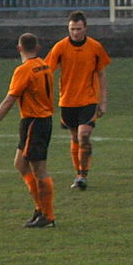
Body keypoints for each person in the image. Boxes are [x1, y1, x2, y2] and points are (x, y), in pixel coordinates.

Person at [0, 33, 56, 228]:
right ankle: (40, 209)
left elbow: (9, 101)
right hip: (40, 120)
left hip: (34, 122)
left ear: (19, 48)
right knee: (21, 164)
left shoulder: (24, 70)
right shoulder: (44, 65)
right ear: (37, 47)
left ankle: (48, 216)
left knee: (39, 169)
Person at [45, 11, 111, 190]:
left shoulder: (95, 47)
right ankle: (78, 173)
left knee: (84, 135)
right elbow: (47, 71)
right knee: (74, 137)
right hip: (67, 101)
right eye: (72, 29)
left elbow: (102, 74)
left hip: (89, 100)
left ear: (85, 28)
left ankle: (83, 174)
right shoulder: (60, 47)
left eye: (78, 29)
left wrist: (103, 101)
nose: (75, 32)